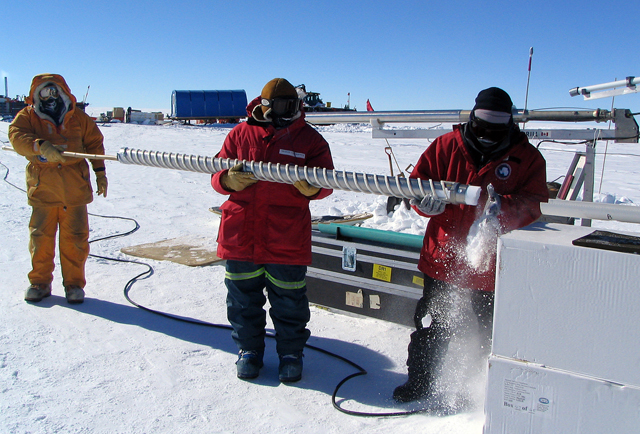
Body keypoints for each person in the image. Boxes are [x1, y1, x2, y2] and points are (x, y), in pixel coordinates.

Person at [393, 87, 548, 404]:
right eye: (481, 127)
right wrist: (425, 204)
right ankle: (421, 382)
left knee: (487, 333)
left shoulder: (526, 157)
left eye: (495, 130)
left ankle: (478, 390)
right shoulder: (446, 147)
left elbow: (535, 203)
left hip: (491, 267)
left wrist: (501, 212)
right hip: (442, 257)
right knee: (432, 323)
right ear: (472, 119)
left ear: (508, 125)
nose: (488, 135)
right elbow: (418, 185)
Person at [211, 78, 334, 382]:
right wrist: (227, 180)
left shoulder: (310, 140)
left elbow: (328, 180)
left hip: (286, 236)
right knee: (242, 299)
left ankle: (291, 354)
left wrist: (314, 190)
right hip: (242, 233)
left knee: (289, 301)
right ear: (264, 107)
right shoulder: (241, 134)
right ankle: (249, 351)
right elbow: (215, 172)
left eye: (291, 106)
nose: (287, 112)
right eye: (279, 106)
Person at [9, 73, 108, 305]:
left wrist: (100, 172)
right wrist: (40, 146)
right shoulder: (27, 117)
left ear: (63, 92)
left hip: (74, 190)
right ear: (35, 95)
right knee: (40, 238)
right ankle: (39, 283)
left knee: (76, 239)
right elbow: (16, 136)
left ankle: (74, 285)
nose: (50, 98)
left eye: (54, 92)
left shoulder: (80, 119)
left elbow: (95, 144)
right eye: (44, 93)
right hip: (44, 189)